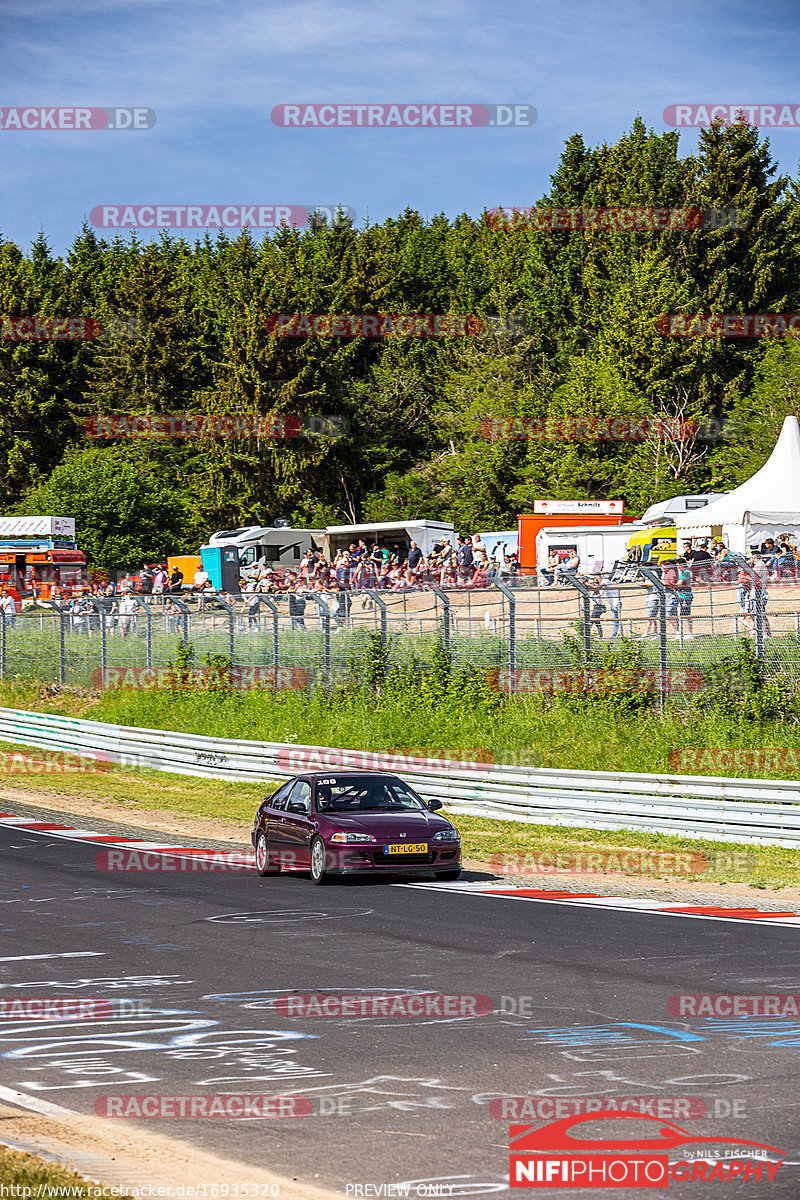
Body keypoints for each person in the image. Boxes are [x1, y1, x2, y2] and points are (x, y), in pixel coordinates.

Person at [675, 556, 694, 638]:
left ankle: (689, 633)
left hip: (686, 596)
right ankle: (684, 633)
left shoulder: (686, 572)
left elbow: (680, 583)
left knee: (686, 614)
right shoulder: (682, 573)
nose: (678, 567)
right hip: (682, 595)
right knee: (683, 614)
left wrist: (672, 585)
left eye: (679, 565)